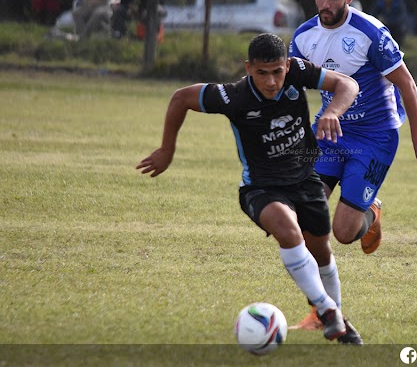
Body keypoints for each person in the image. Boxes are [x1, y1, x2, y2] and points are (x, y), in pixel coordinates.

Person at [136, 33, 364, 344]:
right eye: (262, 73)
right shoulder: (233, 97)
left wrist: (332, 112)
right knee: (288, 231)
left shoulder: (298, 71)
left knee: (321, 251)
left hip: (305, 180)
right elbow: (181, 98)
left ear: (286, 65)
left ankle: (337, 319)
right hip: (261, 187)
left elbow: (347, 85)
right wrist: (166, 150)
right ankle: (326, 309)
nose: (271, 81)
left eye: (277, 72)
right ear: (248, 68)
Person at [289, 0, 417, 330]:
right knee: (304, 220)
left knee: (342, 233)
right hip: (328, 135)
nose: (326, 4)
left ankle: (371, 212)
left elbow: (406, 83)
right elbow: (291, 91)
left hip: (375, 137)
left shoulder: (370, 32)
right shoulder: (303, 36)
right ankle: (322, 309)